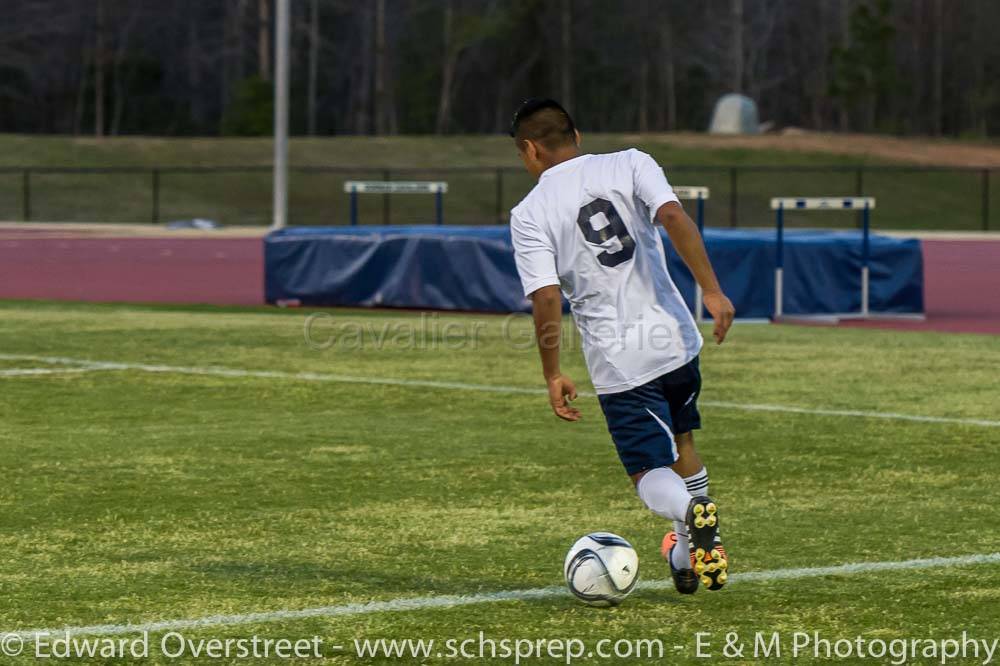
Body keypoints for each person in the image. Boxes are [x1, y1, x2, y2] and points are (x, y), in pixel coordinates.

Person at [508, 98, 735, 593]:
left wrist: (552, 372)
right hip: (676, 338)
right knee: (683, 443)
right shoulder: (631, 161)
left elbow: (546, 296)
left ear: (530, 150)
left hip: (621, 359)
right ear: (577, 135)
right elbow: (674, 216)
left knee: (648, 470)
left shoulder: (529, 213)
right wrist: (712, 291)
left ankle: (689, 510)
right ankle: (685, 552)